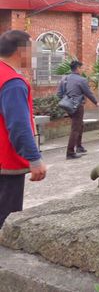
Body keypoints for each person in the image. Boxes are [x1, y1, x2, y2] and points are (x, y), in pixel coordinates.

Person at [0, 30, 47, 228]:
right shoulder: (12, 82)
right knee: (6, 222)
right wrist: (34, 160)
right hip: (6, 164)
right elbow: (19, 126)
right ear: (21, 51)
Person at [57, 60, 99, 159]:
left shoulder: (65, 79)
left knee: (80, 125)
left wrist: (67, 100)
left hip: (67, 106)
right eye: (81, 68)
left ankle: (79, 147)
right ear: (78, 68)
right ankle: (70, 152)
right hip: (77, 106)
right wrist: (96, 102)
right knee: (75, 128)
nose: (82, 69)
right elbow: (88, 93)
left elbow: (59, 94)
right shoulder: (81, 80)